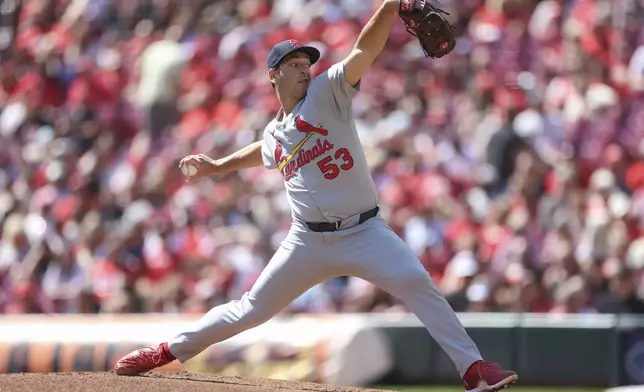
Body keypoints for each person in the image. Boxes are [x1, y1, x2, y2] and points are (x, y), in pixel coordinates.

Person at [113, 1, 519, 390]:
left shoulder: (327, 93)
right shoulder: (276, 131)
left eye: (306, 64)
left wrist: (390, 6)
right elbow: (264, 150)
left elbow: (365, 48)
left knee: (416, 281)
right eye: (293, 65)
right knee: (250, 310)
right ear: (273, 75)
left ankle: (473, 369)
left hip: (364, 231)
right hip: (306, 240)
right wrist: (218, 167)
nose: (304, 70)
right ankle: (167, 350)